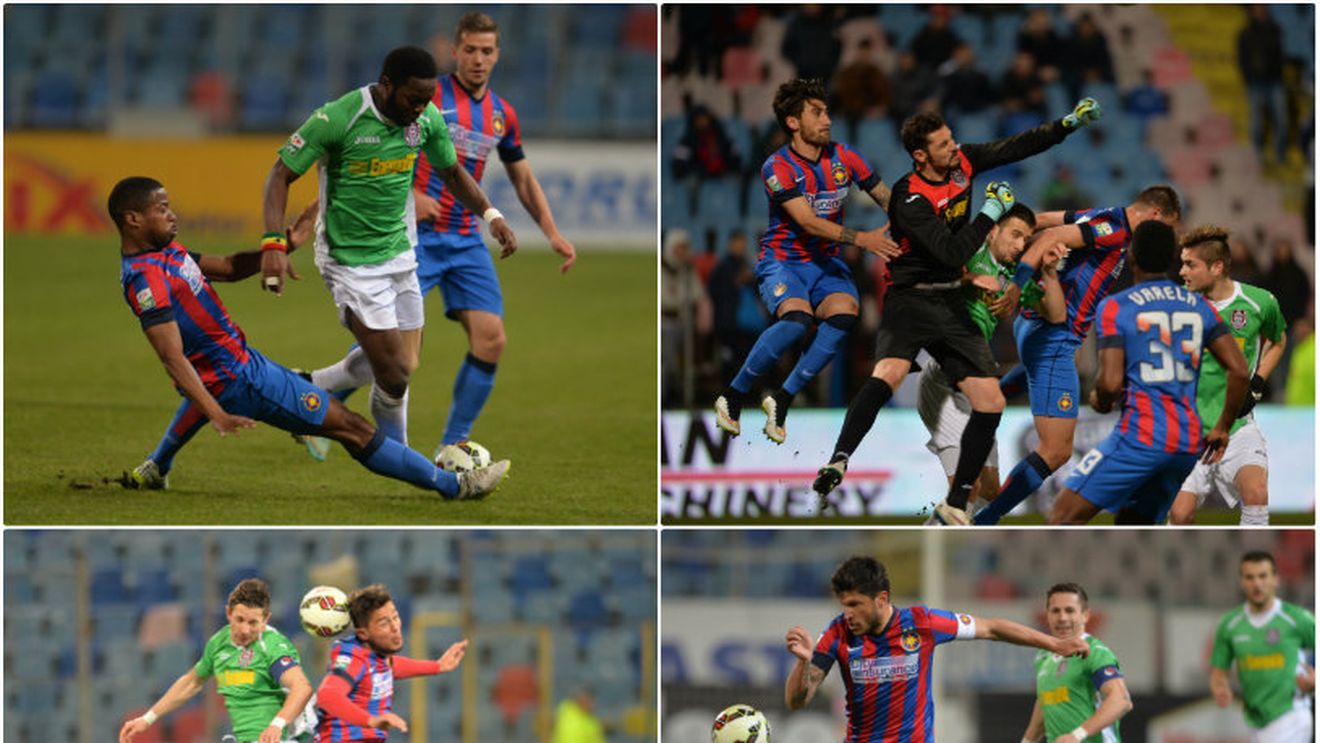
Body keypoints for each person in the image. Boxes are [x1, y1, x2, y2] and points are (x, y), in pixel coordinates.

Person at [110, 176, 508, 498]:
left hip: (235, 367)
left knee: (212, 382)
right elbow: (172, 357)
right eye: (162, 209)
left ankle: (157, 466)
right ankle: (456, 485)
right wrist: (216, 414)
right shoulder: (146, 280)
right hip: (243, 379)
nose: (172, 215)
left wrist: (278, 249)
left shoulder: (167, 254)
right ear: (133, 220)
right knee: (353, 428)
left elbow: (229, 267)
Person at [813, 97, 1102, 522]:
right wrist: (988, 213)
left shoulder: (963, 164)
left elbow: (1015, 146)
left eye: (952, 139)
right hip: (911, 296)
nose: (954, 148)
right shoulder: (908, 199)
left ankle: (955, 503)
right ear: (919, 155)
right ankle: (840, 457)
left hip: (949, 297)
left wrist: (1065, 125)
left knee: (991, 403)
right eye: (943, 144)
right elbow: (949, 253)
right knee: (889, 374)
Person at [299, 16, 574, 463]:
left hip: (465, 240)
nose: (479, 60)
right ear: (455, 51)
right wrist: (412, 193)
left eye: (487, 51)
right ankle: (324, 409)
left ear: (497, 55)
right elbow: (373, 165)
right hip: (415, 238)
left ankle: (454, 442)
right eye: (470, 50)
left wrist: (552, 232)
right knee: (396, 355)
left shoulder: (502, 114)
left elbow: (521, 178)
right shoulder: (426, 96)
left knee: (491, 340)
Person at [260, 45, 516, 452]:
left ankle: (307, 387)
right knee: (396, 373)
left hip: (400, 253)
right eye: (413, 99)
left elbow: (451, 172)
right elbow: (279, 175)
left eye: (427, 100)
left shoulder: (424, 119)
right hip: (350, 261)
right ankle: (403, 459)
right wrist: (273, 243)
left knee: (404, 364)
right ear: (386, 86)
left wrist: (491, 215)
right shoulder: (338, 117)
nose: (421, 109)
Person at [973, 186, 1183, 525]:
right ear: (1155, 215)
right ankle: (984, 519)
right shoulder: (1114, 229)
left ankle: (985, 400)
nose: (1162, 235)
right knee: (1056, 451)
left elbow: (1037, 221)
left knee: (1036, 373)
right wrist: (1016, 282)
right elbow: (1049, 233)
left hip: (1036, 325)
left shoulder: (1101, 214)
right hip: (1054, 333)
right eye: (1165, 226)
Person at [714, 78, 899, 444]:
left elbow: (885, 197)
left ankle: (782, 400)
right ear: (793, 122)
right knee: (798, 321)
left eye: (827, 111)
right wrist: (863, 239)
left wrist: (911, 218)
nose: (827, 119)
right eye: (817, 113)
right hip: (783, 262)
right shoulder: (777, 166)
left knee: (845, 313)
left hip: (826, 265)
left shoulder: (845, 156)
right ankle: (733, 396)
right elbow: (808, 221)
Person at [1048, 221, 1249, 524]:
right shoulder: (1199, 306)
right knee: (1134, 524)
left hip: (1142, 437)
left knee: (1061, 517)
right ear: (1172, 258)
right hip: (1187, 444)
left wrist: (1099, 399)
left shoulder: (1117, 307)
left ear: (1132, 256)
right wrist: (1222, 427)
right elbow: (1240, 371)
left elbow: (1110, 383)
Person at [783, 556, 1089, 742]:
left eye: (855, 604)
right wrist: (803, 664)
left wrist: (1056, 643)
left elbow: (992, 627)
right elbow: (798, 700)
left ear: (881, 599)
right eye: (843, 605)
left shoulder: (922, 623)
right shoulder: (837, 633)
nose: (848, 613)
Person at [915, 204, 1067, 516]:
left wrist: (1049, 272)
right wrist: (971, 278)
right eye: (1014, 235)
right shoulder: (968, 253)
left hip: (978, 386)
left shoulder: (1013, 278)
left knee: (990, 490)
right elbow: (924, 275)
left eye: (1025, 240)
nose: (1019, 245)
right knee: (965, 494)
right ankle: (938, 548)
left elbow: (1056, 314)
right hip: (946, 380)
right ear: (992, 231)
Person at [1169, 226, 1286, 525]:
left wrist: (1257, 381)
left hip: (1236, 428)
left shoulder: (1260, 302)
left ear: (1217, 267)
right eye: (1182, 263)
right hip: (1190, 431)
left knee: (1257, 494)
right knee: (1180, 515)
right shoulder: (1177, 306)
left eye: (1190, 264)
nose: (1182, 271)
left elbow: (1278, 339)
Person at [119, 579, 314, 743]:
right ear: (228, 613)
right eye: (240, 620)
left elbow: (302, 687)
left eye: (253, 622)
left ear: (265, 620)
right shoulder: (218, 644)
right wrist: (148, 719)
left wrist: (277, 725)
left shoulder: (272, 645)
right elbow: (191, 683)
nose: (245, 630)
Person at [315, 584, 468, 741]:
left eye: (395, 617)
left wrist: (438, 666)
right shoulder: (353, 657)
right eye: (383, 623)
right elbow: (327, 695)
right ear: (363, 633)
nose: (395, 627)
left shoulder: (377, 657)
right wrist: (371, 720)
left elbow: (393, 666)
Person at [1210, 551, 1315, 742]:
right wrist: (1220, 688)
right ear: (1241, 582)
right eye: (1250, 577)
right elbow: (1219, 672)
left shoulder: (1296, 619)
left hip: (1292, 716)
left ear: (1276, 580)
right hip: (1255, 722)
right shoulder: (1230, 624)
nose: (1257, 584)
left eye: (1263, 576)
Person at [1021, 583, 1132, 743]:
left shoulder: (1095, 652)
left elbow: (1121, 700)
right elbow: (1045, 703)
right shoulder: (1043, 656)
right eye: (1056, 611)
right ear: (1048, 615)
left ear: (1085, 615)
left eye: (1070, 610)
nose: (1062, 617)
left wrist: (1077, 736)